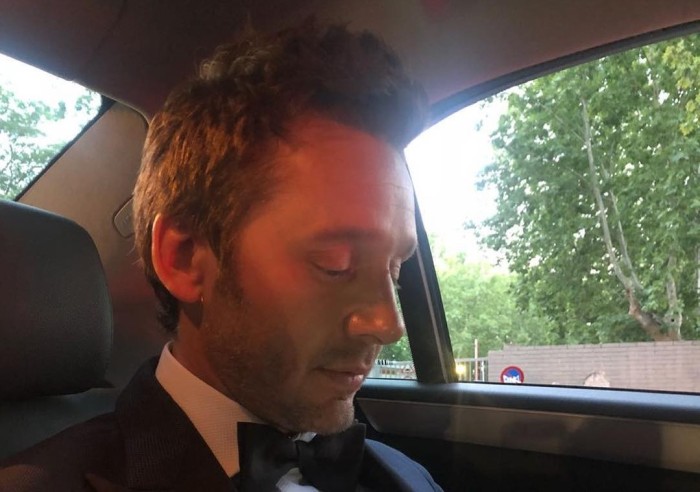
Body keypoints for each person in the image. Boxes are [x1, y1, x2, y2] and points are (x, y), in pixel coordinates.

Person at [0, 19, 442, 491]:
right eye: (335, 264)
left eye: (395, 269)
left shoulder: (409, 476)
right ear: (184, 258)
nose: (388, 324)